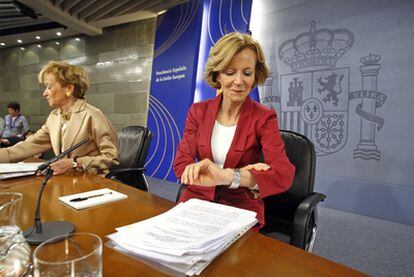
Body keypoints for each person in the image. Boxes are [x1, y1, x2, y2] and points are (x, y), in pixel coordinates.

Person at [174, 32, 295, 228]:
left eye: (247, 73)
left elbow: (283, 175)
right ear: (217, 75)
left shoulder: (264, 117)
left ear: (255, 75)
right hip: (196, 202)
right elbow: (181, 165)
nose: (239, 81)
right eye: (230, 72)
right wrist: (248, 174)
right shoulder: (198, 111)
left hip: (239, 209)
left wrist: (228, 175)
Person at [0, 61, 119, 175]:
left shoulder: (92, 115)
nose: (45, 93)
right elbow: (29, 145)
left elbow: (112, 157)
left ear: (68, 89)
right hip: (66, 180)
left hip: (93, 182)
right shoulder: (54, 117)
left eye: (49, 87)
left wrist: (76, 163)